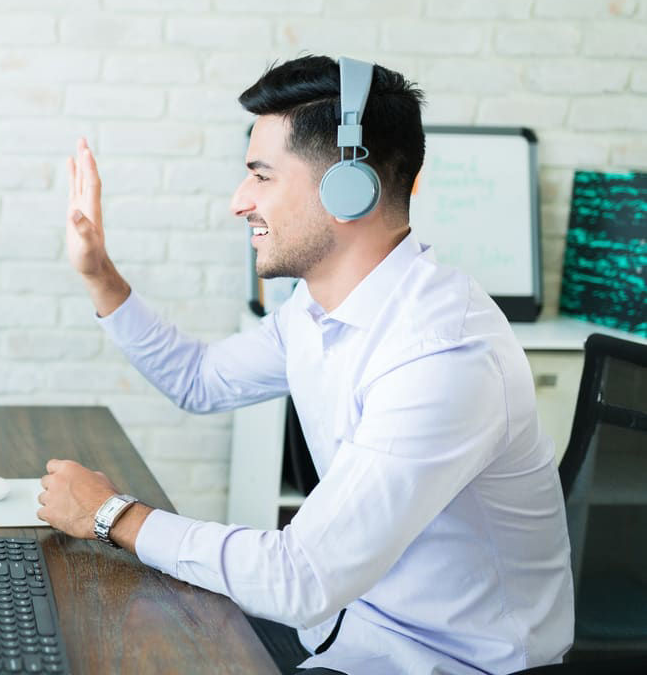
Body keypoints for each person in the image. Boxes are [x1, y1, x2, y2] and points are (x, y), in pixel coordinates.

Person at [37, 56, 574, 675]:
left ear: (349, 187)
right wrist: (99, 274)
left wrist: (111, 515)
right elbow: (200, 382)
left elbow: (302, 576)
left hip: (446, 663)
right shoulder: (316, 309)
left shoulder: (443, 356)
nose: (240, 201)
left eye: (261, 176)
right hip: (348, 631)